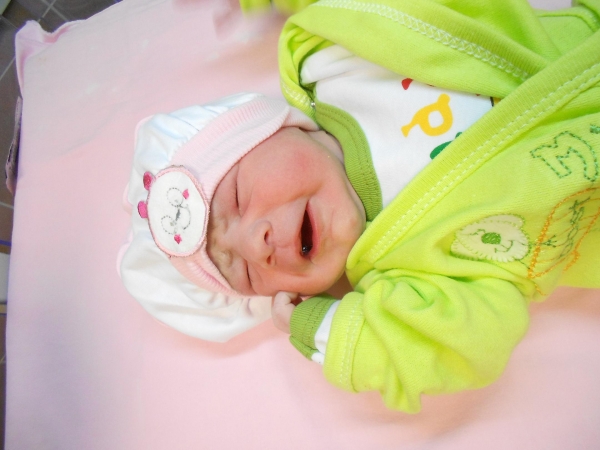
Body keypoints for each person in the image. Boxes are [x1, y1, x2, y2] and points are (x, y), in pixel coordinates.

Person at [120, 0, 600, 412]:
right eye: (244, 272)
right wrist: (335, 332)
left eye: (239, 198)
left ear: (272, 128)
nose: (256, 243)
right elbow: (461, 344)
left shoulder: (335, 58)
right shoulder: (402, 278)